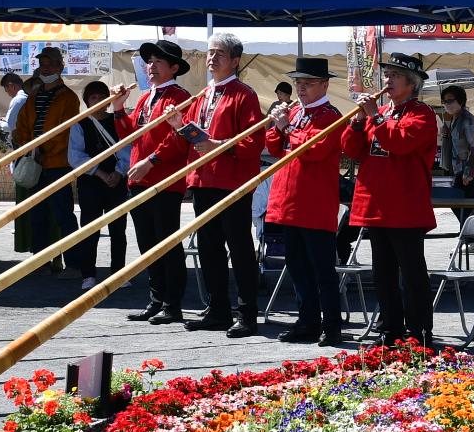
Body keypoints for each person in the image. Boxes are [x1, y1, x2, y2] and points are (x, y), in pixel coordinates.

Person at [342, 52, 440, 345]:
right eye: (387, 75)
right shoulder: (381, 113)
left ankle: (419, 330)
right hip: (377, 204)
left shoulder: (422, 113)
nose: (388, 81)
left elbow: (399, 143)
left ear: (411, 83)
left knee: (412, 272)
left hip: (405, 205)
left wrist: (374, 116)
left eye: (395, 76)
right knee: (382, 272)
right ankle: (389, 328)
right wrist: (358, 123)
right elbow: (352, 150)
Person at [174, 33, 265, 337]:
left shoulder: (244, 94)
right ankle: (218, 309)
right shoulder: (203, 94)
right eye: (210, 53)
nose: (212, 58)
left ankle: (247, 312)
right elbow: (193, 132)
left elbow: (253, 141)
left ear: (235, 61)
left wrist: (217, 145)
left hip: (232, 182)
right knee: (209, 247)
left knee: (239, 247)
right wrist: (179, 126)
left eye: (220, 54)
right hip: (203, 179)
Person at [261, 57, 345, 345]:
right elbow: (274, 148)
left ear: (325, 85)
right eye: (299, 82)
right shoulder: (294, 111)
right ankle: (307, 321)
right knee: (296, 267)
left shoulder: (331, 115)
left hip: (314, 203)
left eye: (308, 83)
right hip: (289, 200)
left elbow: (314, 150)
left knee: (321, 269)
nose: (301, 88)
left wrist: (286, 128)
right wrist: (276, 125)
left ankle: (331, 324)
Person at [114, 40, 195, 325]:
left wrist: (152, 160)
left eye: (158, 62)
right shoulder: (148, 96)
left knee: (166, 242)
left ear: (174, 68)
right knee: (147, 242)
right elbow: (130, 134)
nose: (151, 66)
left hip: (164, 179)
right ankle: (156, 298)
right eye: (149, 61)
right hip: (140, 178)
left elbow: (179, 138)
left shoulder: (180, 96)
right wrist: (118, 109)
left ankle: (172, 304)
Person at [11, 46, 83, 270]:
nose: (46, 67)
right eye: (43, 63)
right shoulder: (33, 97)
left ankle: (72, 263)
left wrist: (44, 151)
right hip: (36, 163)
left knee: (64, 214)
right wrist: (29, 149)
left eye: (51, 63)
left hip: (57, 164)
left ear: (60, 67)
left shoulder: (69, 98)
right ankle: (40, 260)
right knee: (37, 214)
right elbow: (21, 128)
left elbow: (66, 132)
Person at [69, 80, 129, 293]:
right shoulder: (80, 124)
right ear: (86, 101)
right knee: (90, 229)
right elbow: (75, 157)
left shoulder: (118, 121)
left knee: (118, 229)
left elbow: (127, 149)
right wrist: (101, 173)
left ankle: (118, 273)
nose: (97, 101)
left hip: (117, 181)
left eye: (101, 97)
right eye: (93, 98)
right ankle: (88, 274)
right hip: (90, 183)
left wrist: (119, 172)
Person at [438, 83, 474, 197]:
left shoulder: (467, 120)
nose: (446, 104)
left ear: (461, 101)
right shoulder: (454, 118)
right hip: (459, 168)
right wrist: (447, 132)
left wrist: (469, 173)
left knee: (463, 204)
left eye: (450, 101)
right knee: (458, 203)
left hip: (469, 169)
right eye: (444, 102)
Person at [0, 72, 28, 138]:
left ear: (12, 86)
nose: (8, 94)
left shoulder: (18, 100)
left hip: (22, 140)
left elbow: (8, 127)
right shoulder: (28, 96)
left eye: (7, 90)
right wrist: (7, 118)